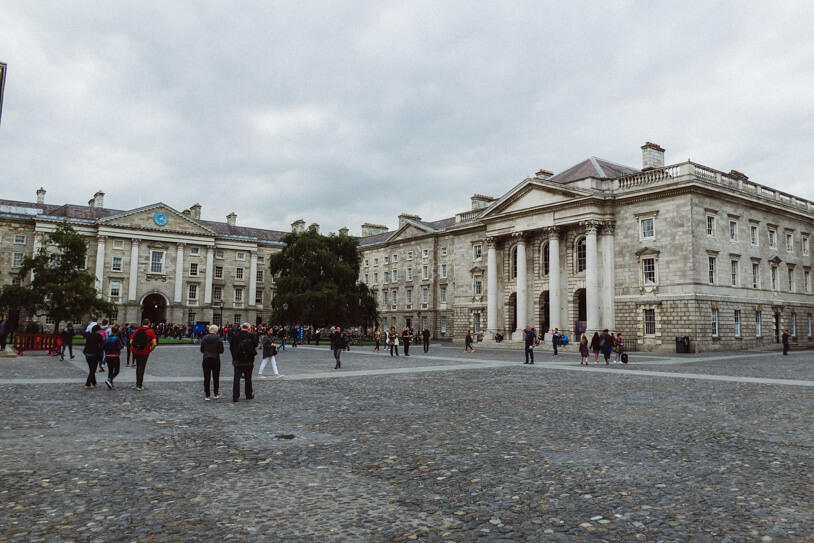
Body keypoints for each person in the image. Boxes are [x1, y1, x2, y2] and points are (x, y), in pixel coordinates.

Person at [230, 322, 258, 402]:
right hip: (248, 360)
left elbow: (231, 348)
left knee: (236, 378)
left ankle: (235, 396)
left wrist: (233, 358)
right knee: (248, 378)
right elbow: (255, 344)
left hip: (238, 360)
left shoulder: (235, 336)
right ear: (248, 328)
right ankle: (248, 394)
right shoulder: (250, 336)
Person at [129, 318, 157, 391]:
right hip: (145, 351)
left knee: (138, 366)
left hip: (136, 351)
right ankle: (139, 384)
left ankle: (137, 383)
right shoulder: (150, 331)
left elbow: (131, 342)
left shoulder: (136, 330)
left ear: (142, 324)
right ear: (149, 324)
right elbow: (154, 343)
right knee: (142, 367)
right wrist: (150, 349)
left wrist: (135, 348)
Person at [200, 324, 225, 400]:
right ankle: (216, 393)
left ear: (209, 330)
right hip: (215, 359)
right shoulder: (218, 339)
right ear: (216, 331)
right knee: (216, 377)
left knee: (206, 377)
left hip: (206, 358)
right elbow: (221, 351)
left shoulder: (204, 338)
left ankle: (207, 395)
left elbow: (202, 350)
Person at [102, 324, 124, 389]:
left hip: (108, 355)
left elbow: (103, 346)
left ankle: (110, 383)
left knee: (110, 369)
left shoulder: (106, 338)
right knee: (117, 370)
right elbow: (119, 347)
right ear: (117, 331)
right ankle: (109, 379)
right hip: (115, 355)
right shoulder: (117, 338)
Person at [82, 324, 104, 389]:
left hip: (87, 354)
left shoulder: (88, 334)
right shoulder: (98, 335)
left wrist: (89, 332)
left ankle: (94, 382)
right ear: (97, 330)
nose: (100, 332)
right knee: (93, 370)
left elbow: (83, 332)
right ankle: (87, 383)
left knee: (91, 369)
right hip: (94, 354)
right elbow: (102, 345)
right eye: (100, 330)